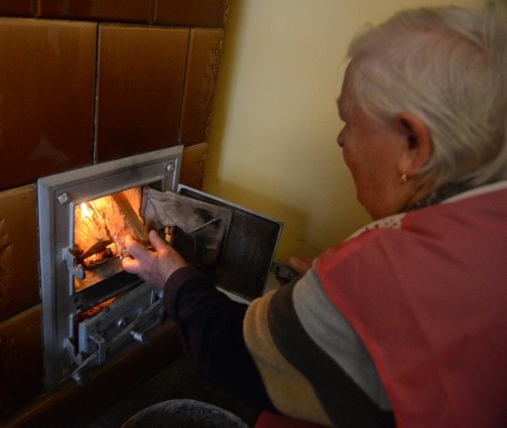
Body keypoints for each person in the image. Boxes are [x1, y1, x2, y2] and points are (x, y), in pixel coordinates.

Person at [122, 4, 507, 427]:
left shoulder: (386, 273)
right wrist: (327, 306)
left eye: (349, 121)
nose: (341, 140)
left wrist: (172, 274)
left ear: (413, 142)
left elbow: (231, 353)